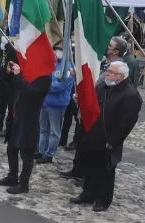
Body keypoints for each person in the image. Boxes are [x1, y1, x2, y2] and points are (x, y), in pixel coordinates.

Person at [69, 61, 141, 211]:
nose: (107, 74)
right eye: (108, 71)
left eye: (110, 72)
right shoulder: (103, 87)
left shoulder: (130, 95)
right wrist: (80, 100)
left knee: (105, 170)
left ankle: (103, 199)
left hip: (109, 138)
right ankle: (88, 193)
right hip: (93, 133)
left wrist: (113, 140)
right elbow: (92, 104)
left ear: (120, 76)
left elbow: (126, 122)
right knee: (90, 166)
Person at [0, 62, 51, 195]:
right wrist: (10, 74)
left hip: (29, 120)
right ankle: (12, 176)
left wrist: (19, 76)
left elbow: (30, 91)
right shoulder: (29, 70)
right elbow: (13, 84)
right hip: (16, 116)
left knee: (26, 153)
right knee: (11, 148)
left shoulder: (45, 77)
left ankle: (24, 184)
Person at [37, 47, 75, 164]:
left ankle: (49, 154)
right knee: (43, 129)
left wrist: (44, 86)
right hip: (45, 101)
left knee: (54, 131)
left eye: (59, 49)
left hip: (57, 104)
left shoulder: (69, 68)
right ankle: (41, 151)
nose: (56, 52)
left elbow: (58, 86)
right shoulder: (51, 64)